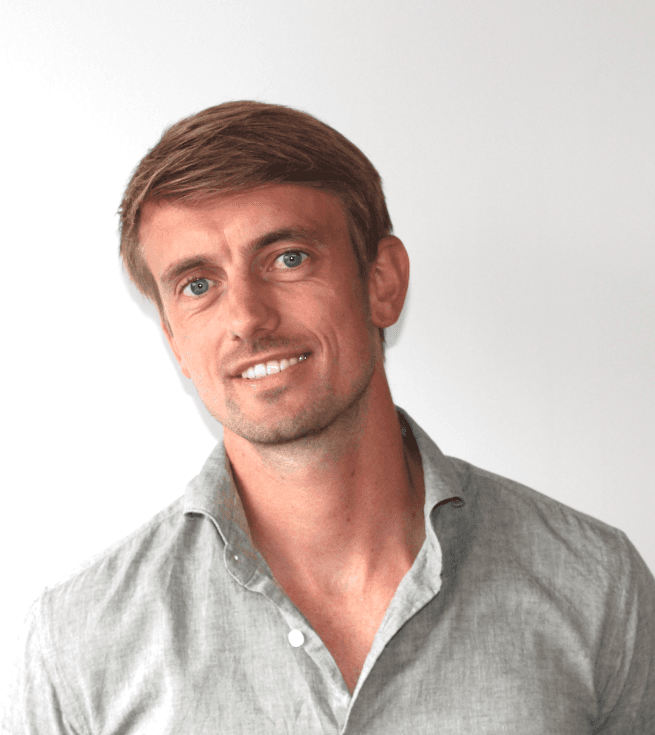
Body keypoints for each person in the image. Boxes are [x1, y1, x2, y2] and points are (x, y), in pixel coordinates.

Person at [5, 101, 655, 733]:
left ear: (382, 282)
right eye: (198, 285)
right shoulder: (79, 642)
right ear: (175, 339)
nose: (247, 319)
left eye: (287, 258)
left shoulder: (594, 584)